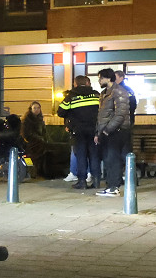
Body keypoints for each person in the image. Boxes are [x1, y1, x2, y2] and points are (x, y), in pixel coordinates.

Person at [57, 76, 101, 190]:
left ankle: (82, 182)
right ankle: (96, 181)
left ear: (75, 84)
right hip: (94, 131)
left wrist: (71, 115)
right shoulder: (96, 95)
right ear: (87, 83)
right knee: (94, 156)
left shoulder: (71, 97)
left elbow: (60, 112)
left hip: (78, 131)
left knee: (81, 156)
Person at [94, 68, 132, 197]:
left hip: (117, 132)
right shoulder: (104, 93)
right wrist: (98, 132)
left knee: (113, 159)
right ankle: (110, 186)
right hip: (107, 131)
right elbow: (102, 115)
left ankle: (114, 187)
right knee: (108, 159)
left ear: (108, 78)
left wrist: (107, 129)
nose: (99, 81)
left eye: (100, 78)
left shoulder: (119, 92)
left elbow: (120, 114)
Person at [21, 101, 48, 178]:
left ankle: (38, 172)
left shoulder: (40, 119)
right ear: (31, 109)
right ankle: (30, 172)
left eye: (38, 108)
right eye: (34, 108)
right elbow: (26, 133)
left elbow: (43, 131)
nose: (37, 110)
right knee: (30, 158)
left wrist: (44, 138)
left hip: (39, 143)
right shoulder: (27, 120)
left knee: (40, 157)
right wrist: (39, 139)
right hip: (30, 143)